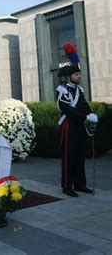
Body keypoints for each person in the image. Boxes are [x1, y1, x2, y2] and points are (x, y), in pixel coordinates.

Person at [57, 42, 98, 197]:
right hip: (69, 126)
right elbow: (68, 110)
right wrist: (86, 116)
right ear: (69, 76)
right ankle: (67, 186)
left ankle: (80, 184)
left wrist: (91, 114)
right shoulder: (62, 90)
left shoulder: (79, 90)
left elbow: (84, 105)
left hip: (80, 126)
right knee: (69, 157)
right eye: (76, 75)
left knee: (80, 156)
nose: (79, 77)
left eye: (80, 75)